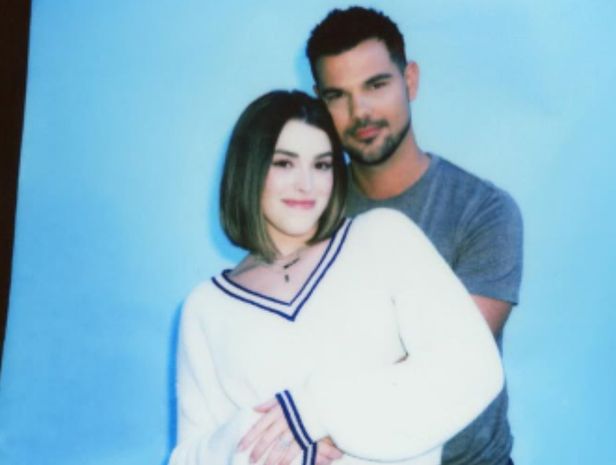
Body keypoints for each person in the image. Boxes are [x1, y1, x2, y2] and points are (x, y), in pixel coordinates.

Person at [168, 90, 504, 465]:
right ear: (249, 170)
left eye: (322, 165)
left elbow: (473, 368)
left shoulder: (382, 238)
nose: (306, 184)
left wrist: (316, 411)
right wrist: (268, 438)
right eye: (284, 163)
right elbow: (189, 458)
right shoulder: (207, 307)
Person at [302, 7, 524, 465]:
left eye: (376, 85)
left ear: (411, 80)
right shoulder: (310, 211)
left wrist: (316, 414)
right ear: (320, 104)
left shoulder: (482, 211)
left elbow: (453, 362)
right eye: (338, 95)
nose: (360, 112)